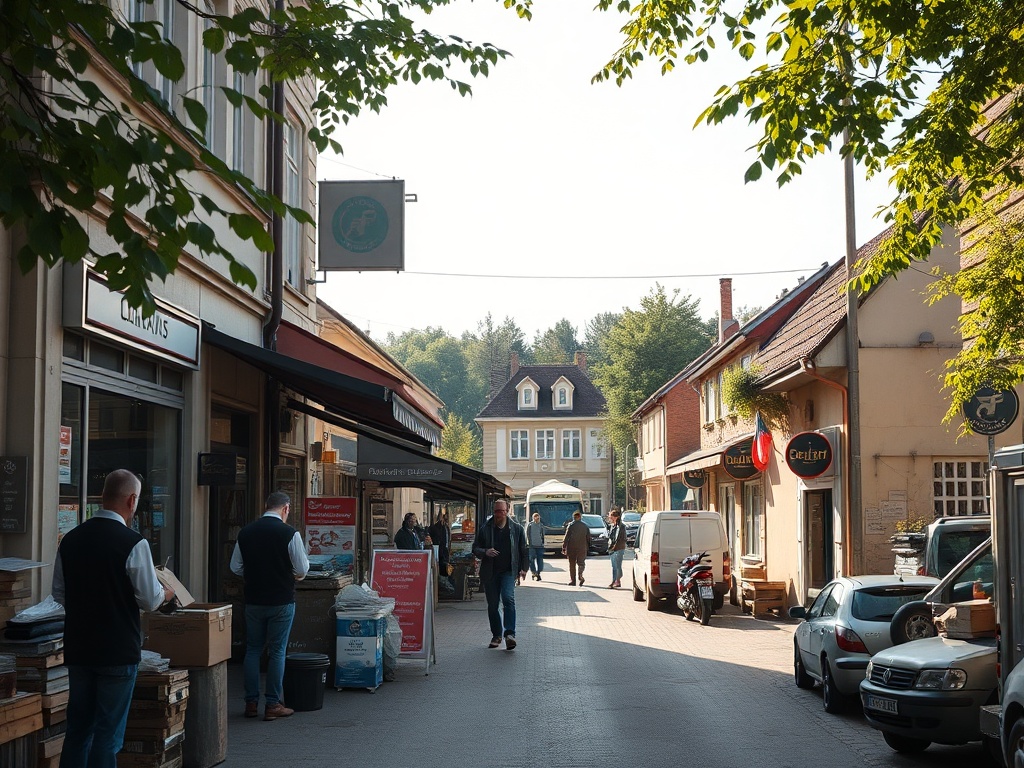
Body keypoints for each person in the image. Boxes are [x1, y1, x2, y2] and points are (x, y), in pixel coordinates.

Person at [53, 469, 174, 768]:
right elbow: (149, 600)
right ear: (132, 500)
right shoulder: (134, 543)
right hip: (118, 650)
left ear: (103, 497)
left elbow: (59, 594)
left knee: (78, 730)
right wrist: (168, 593)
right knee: (108, 735)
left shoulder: (70, 540)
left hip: (79, 648)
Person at [230, 491, 310, 721]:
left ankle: (251, 703)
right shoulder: (289, 533)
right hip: (281, 601)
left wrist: (255, 574)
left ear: (266, 506)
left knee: (253, 650)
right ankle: (273, 704)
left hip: (254, 600)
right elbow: (302, 569)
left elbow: (235, 567)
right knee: (277, 651)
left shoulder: (246, 533)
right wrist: (291, 575)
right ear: (285, 508)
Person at [472, 499, 528, 649]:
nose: (499, 514)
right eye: (497, 511)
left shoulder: (517, 529)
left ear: (507, 511)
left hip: (509, 571)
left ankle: (510, 634)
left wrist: (524, 568)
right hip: (490, 572)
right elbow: (475, 548)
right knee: (493, 605)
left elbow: (523, 550)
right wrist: (485, 551)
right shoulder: (485, 528)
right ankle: (496, 635)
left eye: (502, 511)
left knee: (508, 599)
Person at [561, 510, 592, 587]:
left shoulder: (570, 525)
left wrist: (564, 547)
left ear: (574, 517)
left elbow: (566, 537)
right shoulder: (585, 526)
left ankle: (573, 580)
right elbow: (588, 538)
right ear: (580, 517)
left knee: (572, 564)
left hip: (571, 548)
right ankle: (580, 575)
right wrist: (588, 546)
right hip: (582, 548)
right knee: (581, 563)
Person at [607, 508, 628, 588]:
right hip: (612, 548)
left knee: (617, 566)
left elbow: (621, 538)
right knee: (614, 566)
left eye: (611, 517)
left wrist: (615, 546)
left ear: (616, 517)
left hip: (618, 548)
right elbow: (612, 537)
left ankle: (615, 581)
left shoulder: (621, 526)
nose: (610, 518)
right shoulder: (613, 526)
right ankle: (617, 581)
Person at [525, 512, 545, 581]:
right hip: (531, 546)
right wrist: (528, 543)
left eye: (538, 518)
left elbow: (543, 535)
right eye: (536, 517)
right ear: (533, 518)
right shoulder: (530, 525)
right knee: (531, 560)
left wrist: (542, 543)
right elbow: (527, 534)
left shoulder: (541, 525)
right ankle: (534, 572)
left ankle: (538, 572)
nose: (537, 519)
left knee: (540, 560)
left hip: (539, 546)